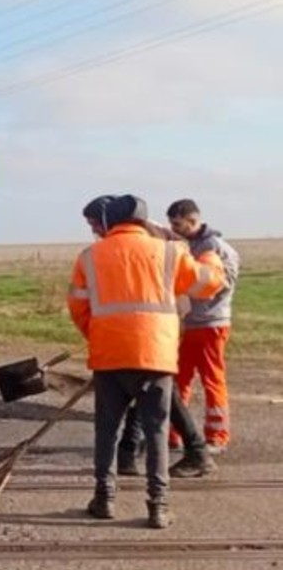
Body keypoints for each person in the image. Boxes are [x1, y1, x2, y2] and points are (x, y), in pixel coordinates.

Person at [68, 194, 224, 529]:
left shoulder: (89, 257)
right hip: (156, 356)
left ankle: (104, 499)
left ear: (111, 221)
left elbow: (78, 308)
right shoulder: (170, 252)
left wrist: (101, 336)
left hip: (109, 357)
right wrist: (209, 254)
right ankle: (158, 507)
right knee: (155, 432)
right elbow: (208, 284)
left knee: (106, 432)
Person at [167, 199, 239, 455]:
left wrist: (192, 284)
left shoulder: (219, 249)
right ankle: (174, 434)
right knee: (179, 381)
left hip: (211, 324)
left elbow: (223, 284)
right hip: (186, 324)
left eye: (177, 224)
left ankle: (217, 436)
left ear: (191, 220)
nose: (174, 229)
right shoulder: (181, 245)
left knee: (212, 380)